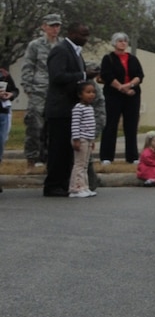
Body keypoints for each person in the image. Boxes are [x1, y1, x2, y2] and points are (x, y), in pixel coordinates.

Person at [41, 22, 91, 197]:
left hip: (72, 109)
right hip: (60, 109)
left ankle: (65, 183)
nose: (85, 39)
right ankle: (52, 185)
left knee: (68, 151)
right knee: (58, 149)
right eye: (82, 35)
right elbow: (57, 76)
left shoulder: (76, 53)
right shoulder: (61, 50)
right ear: (72, 33)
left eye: (87, 35)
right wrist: (84, 75)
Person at [18, 12, 62, 166]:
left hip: (57, 90)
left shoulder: (62, 44)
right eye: (52, 26)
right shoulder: (35, 45)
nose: (55, 29)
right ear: (44, 27)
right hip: (39, 89)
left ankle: (50, 157)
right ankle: (33, 157)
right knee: (35, 125)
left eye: (57, 26)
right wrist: (28, 87)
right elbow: (28, 66)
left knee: (54, 126)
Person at [99, 31, 145, 164]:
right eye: (120, 41)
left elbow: (139, 75)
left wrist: (130, 85)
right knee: (110, 125)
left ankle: (132, 156)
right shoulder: (108, 58)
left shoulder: (132, 58)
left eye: (125, 41)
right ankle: (107, 157)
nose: (123, 43)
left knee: (131, 126)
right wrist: (121, 88)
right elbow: (107, 75)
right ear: (114, 43)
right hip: (113, 95)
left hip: (132, 95)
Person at [68, 82, 100, 198]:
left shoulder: (90, 108)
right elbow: (75, 124)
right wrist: (76, 139)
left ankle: (84, 186)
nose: (91, 95)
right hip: (81, 139)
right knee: (79, 164)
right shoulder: (78, 108)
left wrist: (92, 141)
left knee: (85, 165)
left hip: (88, 139)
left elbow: (91, 126)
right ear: (80, 94)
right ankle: (75, 188)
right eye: (88, 92)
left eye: (93, 92)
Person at [0, 65, 17, 168]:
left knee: (1, 142)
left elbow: (15, 90)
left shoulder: (4, 74)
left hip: (3, 112)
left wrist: (11, 95)